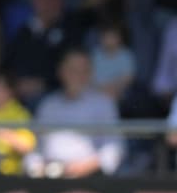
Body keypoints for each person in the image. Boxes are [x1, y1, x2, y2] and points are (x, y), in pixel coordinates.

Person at [25, 47, 123, 178]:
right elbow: (35, 149)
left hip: (91, 180)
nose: (77, 76)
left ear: (90, 73)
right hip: (48, 179)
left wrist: (84, 167)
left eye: (83, 71)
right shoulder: (48, 105)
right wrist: (37, 168)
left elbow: (113, 149)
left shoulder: (103, 104)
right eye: (72, 70)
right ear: (61, 71)